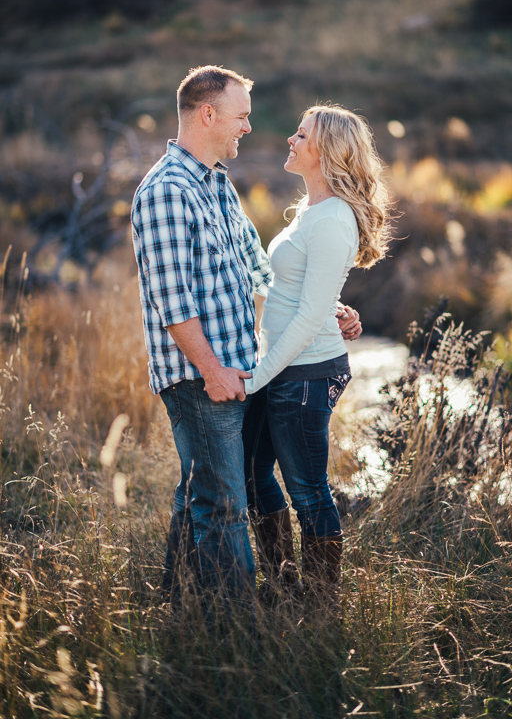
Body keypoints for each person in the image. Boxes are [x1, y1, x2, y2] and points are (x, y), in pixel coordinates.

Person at [131, 66, 361, 603]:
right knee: (227, 501)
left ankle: (178, 598)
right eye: (241, 117)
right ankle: (235, 623)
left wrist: (329, 308)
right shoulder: (167, 191)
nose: (248, 129)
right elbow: (173, 303)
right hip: (201, 374)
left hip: (239, 369)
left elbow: (261, 275)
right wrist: (213, 372)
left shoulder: (216, 184)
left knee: (202, 493)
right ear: (207, 115)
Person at [242, 104, 390, 596]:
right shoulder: (311, 212)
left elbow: (307, 314)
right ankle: (283, 582)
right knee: (252, 473)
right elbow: (304, 290)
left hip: (304, 371)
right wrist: (338, 307)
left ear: (325, 149)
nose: (290, 139)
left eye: (300, 134)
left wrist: (255, 378)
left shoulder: (332, 218)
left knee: (306, 489)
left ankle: (322, 603)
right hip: (281, 363)